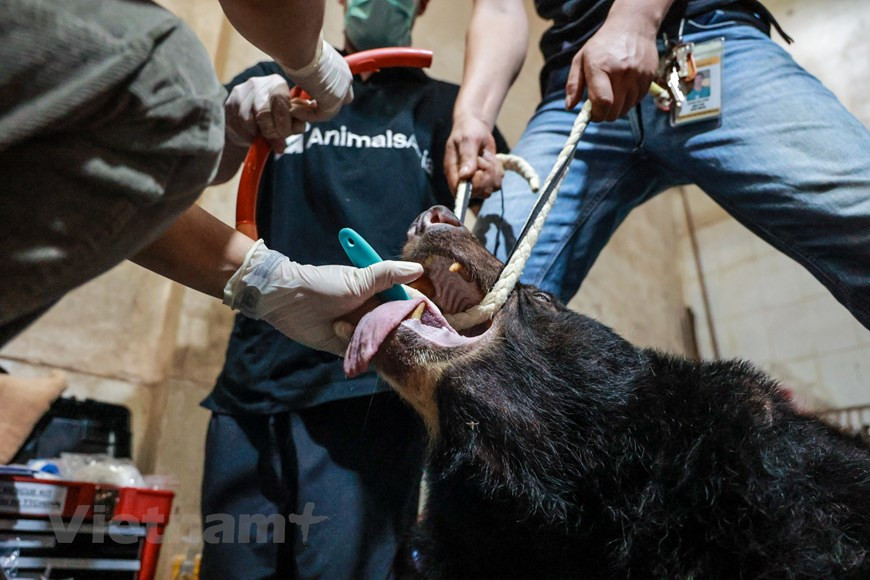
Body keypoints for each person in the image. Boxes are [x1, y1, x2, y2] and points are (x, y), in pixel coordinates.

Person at [198, 0, 508, 577]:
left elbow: (480, 251)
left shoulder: (444, 109)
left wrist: (483, 189)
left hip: (370, 396)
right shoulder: (280, 80)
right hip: (251, 386)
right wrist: (233, 119)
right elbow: (202, 164)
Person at [445, 0, 870, 330]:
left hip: (705, 40)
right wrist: (472, 117)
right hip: (577, 85)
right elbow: (498, 8)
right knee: (470, 297)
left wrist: (635, 19)